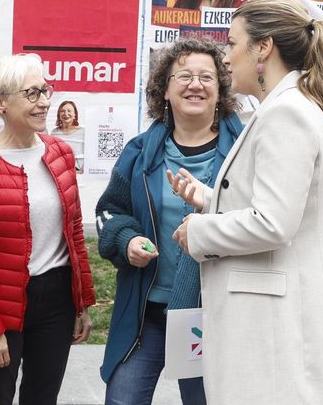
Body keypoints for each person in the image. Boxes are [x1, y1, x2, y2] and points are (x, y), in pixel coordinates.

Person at [170, 0, 323, 404]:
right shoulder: (285, 107)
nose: (225, 56)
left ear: (264, 48)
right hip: (277, 313)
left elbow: (274, 222)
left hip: (275, 322)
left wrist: (199, 231)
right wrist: (208, 198)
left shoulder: (285, 114)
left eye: (233, 43)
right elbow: (283, 205)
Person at [95, 38, 243, 405]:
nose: (196, 84)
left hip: (214, 316)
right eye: (185, 76)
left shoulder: (244, 150)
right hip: (147, 314)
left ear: (221, 90)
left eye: (207, 77)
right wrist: (126, 239)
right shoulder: (139, 152)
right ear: (164, 90)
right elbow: (110, 211)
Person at [0, 53, 96, 405]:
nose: (45, 101)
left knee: (42, 398)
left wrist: (82, 303)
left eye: (45, 90)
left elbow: (74, 233)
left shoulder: (60, 152)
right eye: (32, 94)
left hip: (56, 299)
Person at [50, 100, 85, 173]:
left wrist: (82, 171)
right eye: (62, 111)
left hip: (80, 174)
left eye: (69, 111)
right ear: (59, 115)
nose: (66, 114)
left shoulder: (83, 132)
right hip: (61, 174)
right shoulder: (54, 133)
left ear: (75, 114)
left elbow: (90, 154)